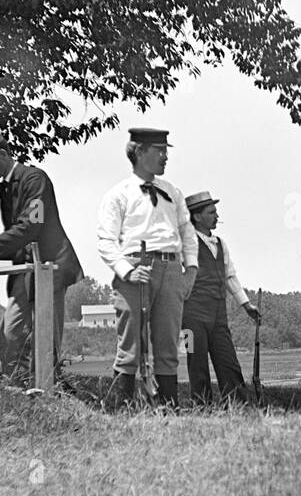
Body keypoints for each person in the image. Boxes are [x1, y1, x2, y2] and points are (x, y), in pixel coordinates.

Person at [0, 129, 83, 384]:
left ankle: (50, 392)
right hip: (25, 271)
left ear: (3, 154)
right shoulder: (5, 190)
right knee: (10, 337)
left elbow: (30, 227)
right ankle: (17, 392)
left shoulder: (35, 179)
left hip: (51, 269)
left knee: (45, 339)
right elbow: (17, 236)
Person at [96, 128, 198, 409]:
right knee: (130, 347)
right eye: (159, 151)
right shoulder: (118, 194)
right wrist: (126, 271)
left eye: (166, 151)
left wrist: (190, 270)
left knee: (168, 345)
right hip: (135, 269)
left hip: (171, 269)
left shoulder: (172, 192)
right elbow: (105, 241)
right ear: (139, 152)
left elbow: (187, 232)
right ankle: (123, 409)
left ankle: (169, 408)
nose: (165, 157)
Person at [181, 191, 261, 406]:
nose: (217, 216)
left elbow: (230, 276)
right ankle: (202, 409)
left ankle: (238, 407)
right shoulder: (184, 244)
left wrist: (246, 305)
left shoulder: (221, 244)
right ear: (197, 217)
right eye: (212, 212)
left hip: (218, 314)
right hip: (190, 317)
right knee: (196, 364)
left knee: (228, 363)